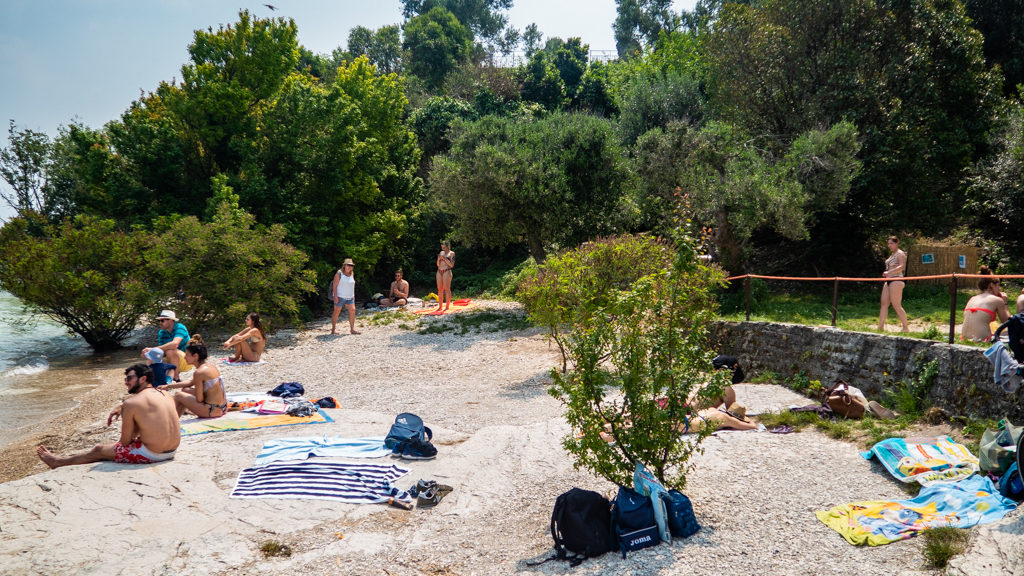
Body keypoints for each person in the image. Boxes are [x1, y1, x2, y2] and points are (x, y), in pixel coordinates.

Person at [37, 364, 180, 468]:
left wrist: (125, 410)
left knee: (98, 450)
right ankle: (60, 461)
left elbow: (124, 442)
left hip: (154, 454)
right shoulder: (165, 394)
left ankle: (58, 463)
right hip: (172, 450)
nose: (126, 382)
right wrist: (123, 407)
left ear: (143, 379)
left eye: (129, 378)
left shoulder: (132, 403)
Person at [165, 335, 228, 418]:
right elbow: (191, 382)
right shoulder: (210, 366)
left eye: (187, 355)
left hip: (212, 410)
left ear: (195, 356)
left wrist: (187, 399)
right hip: (222, 408)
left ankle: (171, 421)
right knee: (185, 390)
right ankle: (174, 419)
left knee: (178, 395)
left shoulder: (199, 372)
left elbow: (199, 399)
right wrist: (168, 386)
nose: (184, 357)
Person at [962, 267, 1010, 342]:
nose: (999, 289)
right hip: (982, 340)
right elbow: (1008, 322)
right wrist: (1005, 303)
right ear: (991, 285)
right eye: (998, 285)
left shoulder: (972, 298)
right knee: (1012, 333)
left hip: (964, 339)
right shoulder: (997, 300)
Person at [143, 310, 191, 374]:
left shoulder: (180, 327)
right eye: (159, 321)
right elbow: (162, 351)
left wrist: (153, 349)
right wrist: (149, 353)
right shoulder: (161, 332)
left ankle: (176, 376)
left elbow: (175, 344)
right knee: (154, 355)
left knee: (170, 351)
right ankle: (152, 379)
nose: (160, 323)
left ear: (171, 320)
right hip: (172, 359)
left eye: (162, 320)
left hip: (188, 360)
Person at [878, 236, 909, 333]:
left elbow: (902, 266)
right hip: (888, 280)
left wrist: (890, 272)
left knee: (896, 305)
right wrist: (887, 273)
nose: (889, 245)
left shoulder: (900, 254)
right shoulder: (892, 255)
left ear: (897, 243)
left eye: (891, 243)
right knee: (884, 303)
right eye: (888, 244)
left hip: (896, 280)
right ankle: (880, 327)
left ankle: (905, 328)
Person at [330, 258, 361, 335]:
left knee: (352, 311)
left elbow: (352, 285)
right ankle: (333, 329)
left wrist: (353, 295)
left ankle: (352, 329)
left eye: (351, 265)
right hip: (340, 296)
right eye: (348, 265)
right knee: (336, 312)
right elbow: (335, 286)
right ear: (344, 265)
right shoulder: (339, 274)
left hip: (350, 297)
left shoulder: (352, 273)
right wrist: (336, 296)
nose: (350, 267)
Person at [435, 241, 455, 311]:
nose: (442, 246)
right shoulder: (441, 252)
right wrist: (439, 259)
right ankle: (440, 307)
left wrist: (445, 259)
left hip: (447, 271)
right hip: (439, 271)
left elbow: (452, 265)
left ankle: (447, 306)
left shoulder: (451, 253)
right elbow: (437, 264)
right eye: (441, 245)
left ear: (447, 245)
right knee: (440, 289)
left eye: (443, 245)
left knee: (447, 289)